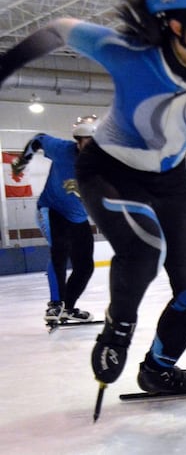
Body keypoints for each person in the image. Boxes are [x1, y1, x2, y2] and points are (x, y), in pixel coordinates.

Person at [0, 0, 186, 394]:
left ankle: (158, 368)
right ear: (173, 23)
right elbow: (59, 29)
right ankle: (117, 329)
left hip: (169, 181)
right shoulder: (129, 54)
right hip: (106, 170)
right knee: (143, 250)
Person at [10, 116, 97, 326]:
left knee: (85, 266)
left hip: (78, 217)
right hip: (52, 208)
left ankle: (68, 308)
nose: (88, 147)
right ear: (77, 140)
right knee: (60, 250)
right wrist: (23, 161)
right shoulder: (62, 149)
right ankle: (55, 304)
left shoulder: (105, 163)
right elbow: (38, 138)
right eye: (84, 141)